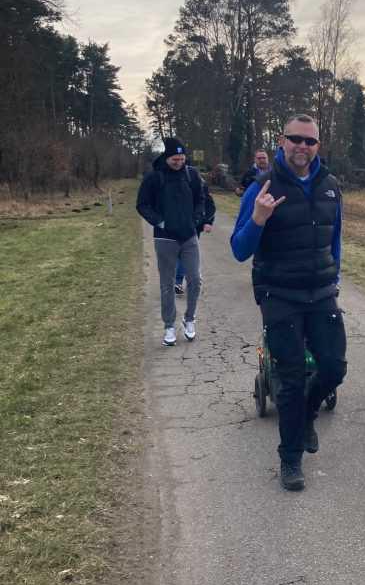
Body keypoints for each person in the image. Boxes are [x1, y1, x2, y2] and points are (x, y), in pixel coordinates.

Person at [231, 114, 346, 492]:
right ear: (282, 141)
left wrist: (336, 276)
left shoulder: (330, 186)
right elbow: (238, 249)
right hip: (279, 294)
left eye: (309, 141)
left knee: (333, 368)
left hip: (322, 292)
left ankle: (309, 415)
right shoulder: (262, 187)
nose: (302, 146)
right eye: (295, 139)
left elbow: (335, 240)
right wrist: (258, 219)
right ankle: (290, 458)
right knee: (291, 379)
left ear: (318, 146)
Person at [137, 137, 204, 346]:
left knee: (194, 279)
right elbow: (142, 204)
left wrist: (197, 218)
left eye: (182, 158)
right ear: (166, 157)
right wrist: (160, 222)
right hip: (165, 238)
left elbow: (201, 198)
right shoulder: (154, 178)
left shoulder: (191, 175)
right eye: (175, 158)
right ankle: (168, 326)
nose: (179, 162)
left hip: (189, 236)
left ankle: (189, 319)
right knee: (167, 284)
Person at [175, 180, 216, 294]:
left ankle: (187, 280)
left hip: (194, 225)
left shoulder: (200, 183)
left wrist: (208, 222)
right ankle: (183, 280)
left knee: (187, 253)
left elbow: (210, 205)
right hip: (175, 224)